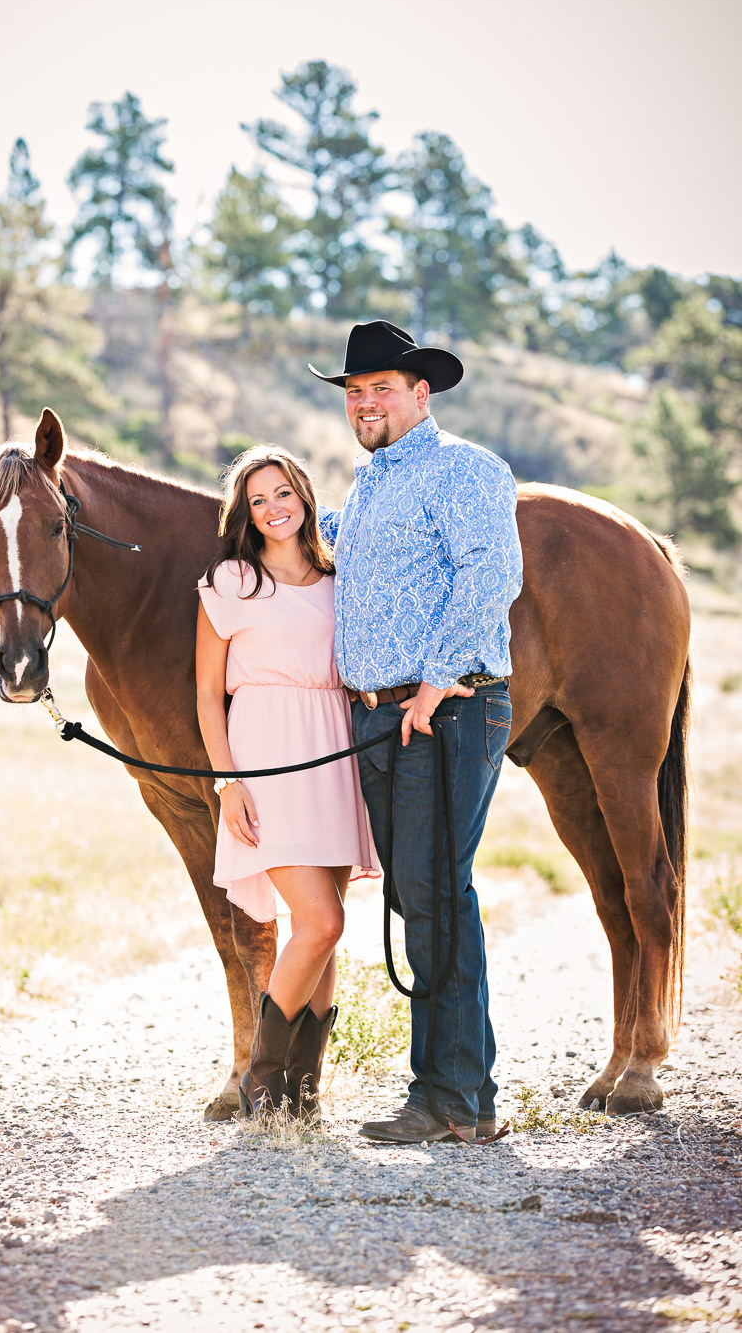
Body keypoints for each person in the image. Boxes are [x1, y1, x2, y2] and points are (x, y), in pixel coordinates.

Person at [311, 319, 523, 1143]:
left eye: (381, 389)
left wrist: (435, 687)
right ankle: (454, 1093)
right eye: (355, 392)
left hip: (443, 709)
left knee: (437, 893)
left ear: (420, 392)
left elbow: (490, 573)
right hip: (384, 715)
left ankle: (455, 1101)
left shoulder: (464, 469)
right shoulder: (369, 486)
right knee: (421, 895)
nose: (364, 402)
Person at [196, 446, 379, 1118]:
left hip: (334, 752)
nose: (273, 508)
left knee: (326, 931)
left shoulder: (340, 581)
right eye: (258, 500)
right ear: (245, 513)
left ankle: (304, 1092)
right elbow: (207, 696)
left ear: (304, 495)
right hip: (266, 756)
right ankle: (261, 1078)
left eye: (282, 493)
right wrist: (227, 783)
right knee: (319, 919)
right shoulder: (229, 583)